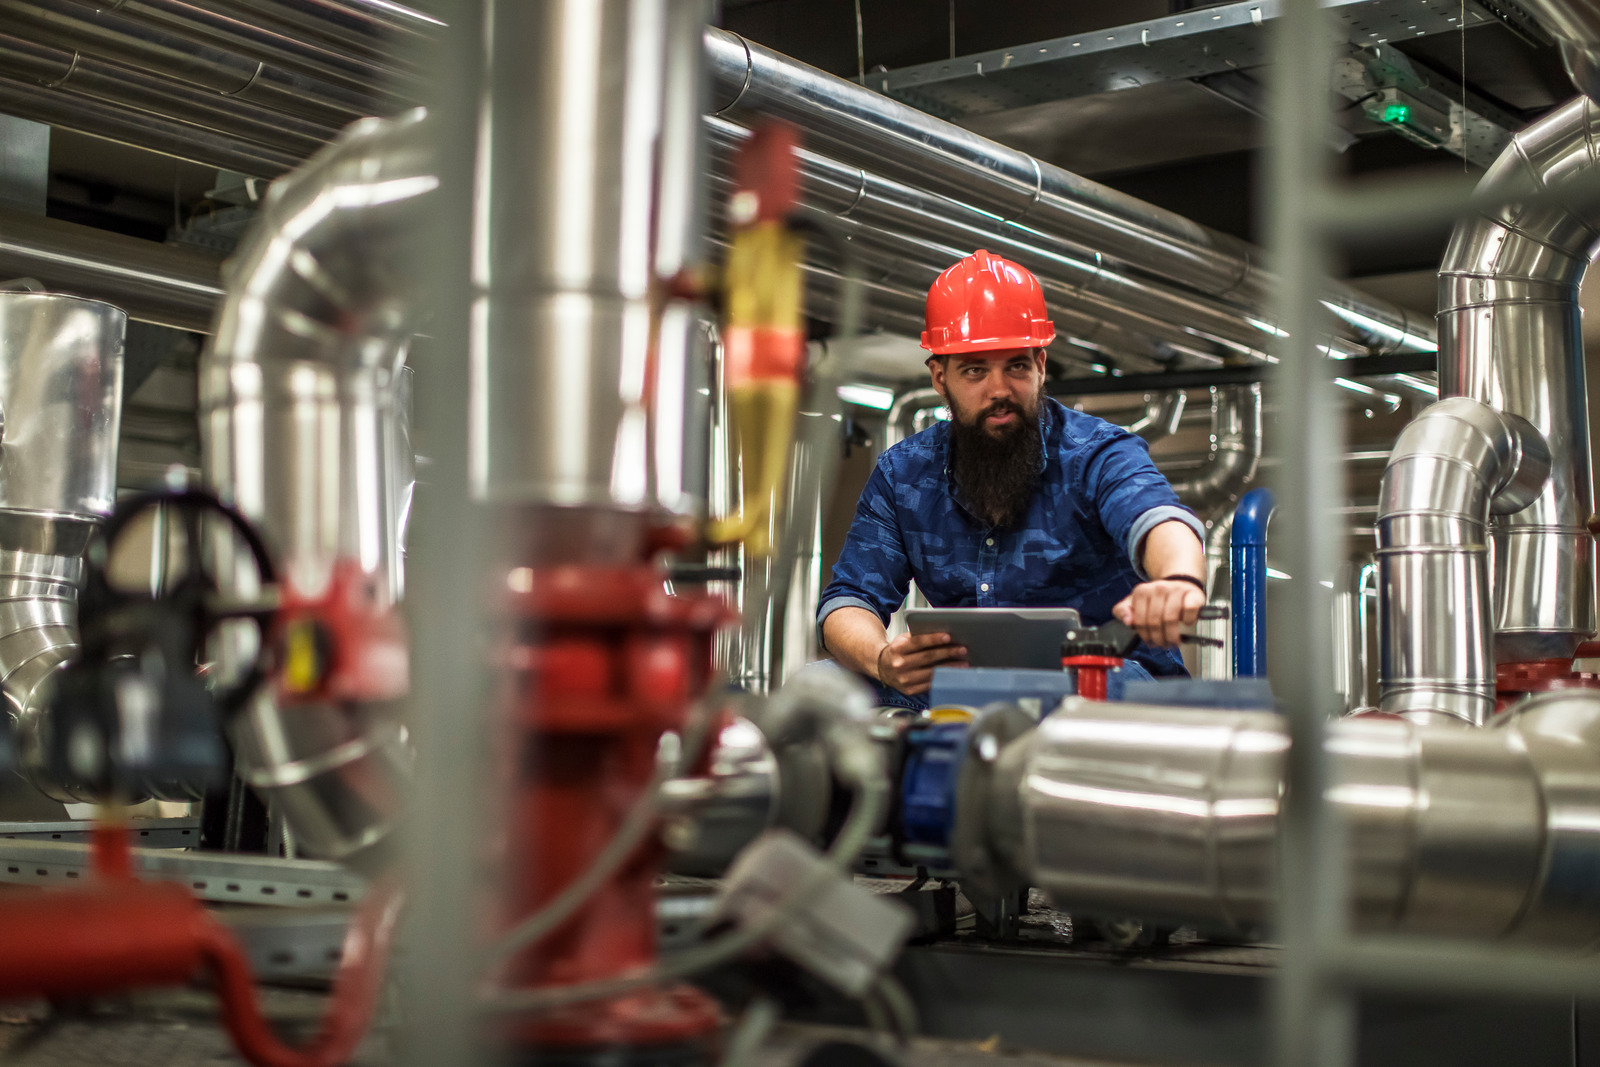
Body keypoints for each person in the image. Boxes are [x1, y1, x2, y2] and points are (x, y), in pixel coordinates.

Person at [818, 249, 1208, 708]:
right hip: (966, 688)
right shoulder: (903, 474)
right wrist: (885, 660)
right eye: (975, 370)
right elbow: (849, 601)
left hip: (1105, 689)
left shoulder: (1097, 453)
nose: (999, 390)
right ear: (940, 378)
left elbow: (1159, 519)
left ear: (1041, 365)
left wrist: (1179, 581)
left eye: (1016, 366)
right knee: (821, 688)